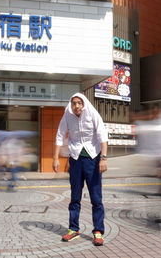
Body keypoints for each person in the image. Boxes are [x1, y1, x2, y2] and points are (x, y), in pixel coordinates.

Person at [53, 93, 108, 246]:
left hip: (93, 159)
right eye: (74, 103)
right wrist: (56, 158)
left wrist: (103, 158)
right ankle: (73, 230)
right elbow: (59, 135)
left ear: (83, 104)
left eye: (79, 103)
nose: (76, 106)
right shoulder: (67, 116)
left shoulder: (92, 113)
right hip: (76, 159)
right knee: (75, 197)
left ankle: (98, 231)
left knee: (96, 198)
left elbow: (103, 135)